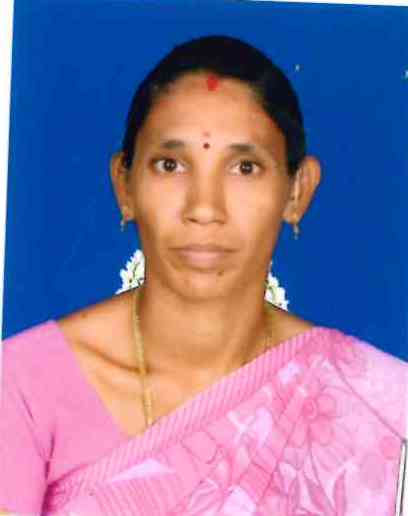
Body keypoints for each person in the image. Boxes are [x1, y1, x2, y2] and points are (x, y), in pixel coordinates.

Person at [0, 35, 406, 515]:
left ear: (298, 191)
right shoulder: (24, 385)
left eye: (245, 167)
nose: (204, 208)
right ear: (124, 185)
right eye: (170, 165)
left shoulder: (377, 402)